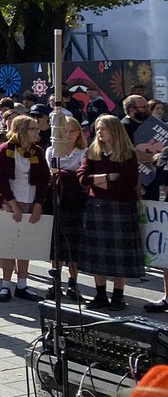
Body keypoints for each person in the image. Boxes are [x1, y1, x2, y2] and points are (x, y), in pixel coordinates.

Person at [78, 114, 143, 311]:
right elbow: (82, 178)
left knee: (119, 254)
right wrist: (107, 177)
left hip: (121, 208)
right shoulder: (92, 152)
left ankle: (118, 296)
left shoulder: (127, 154)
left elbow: (127, 184)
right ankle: (100, 295)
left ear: (114, 130)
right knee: (98, 253)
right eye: (97, 128)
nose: (99, 132)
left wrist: (98, 183)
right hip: (97, 207)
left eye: (103, 128)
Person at [0, 114, 50, 302]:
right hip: (9, 202)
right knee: (8, 245)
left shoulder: (37, 151)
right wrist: (13, 205)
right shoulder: (5, 149)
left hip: (31, 201)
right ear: (22, 130)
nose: (37, 131)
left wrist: (38, 204)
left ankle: (22, 284)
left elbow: (44, 179)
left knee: (25, 245)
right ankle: (6, 285)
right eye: (33, 128)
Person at [46, 115, 87, 302]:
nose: (68, 134)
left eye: (72, 131)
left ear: (79, 133)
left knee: (73, 244)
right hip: (56, 202)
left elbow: (82, 176)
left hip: (75, 203)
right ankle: (55, 283)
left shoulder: (84, 152)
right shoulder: (51, 151)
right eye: (65, 131)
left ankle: (73, 282)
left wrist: (63, 175)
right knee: (55, 245)